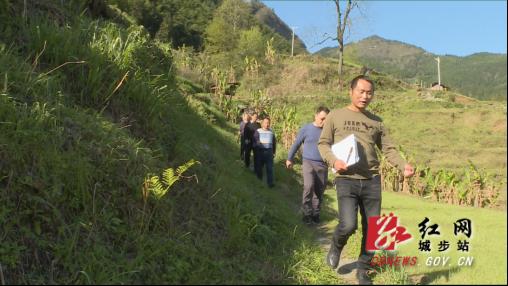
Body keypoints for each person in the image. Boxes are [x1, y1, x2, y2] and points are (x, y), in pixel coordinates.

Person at [318, 75, 415, 284]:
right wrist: (334, 162)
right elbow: (323, 144)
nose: (365, 96)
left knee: (373, 229)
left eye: (369, 93)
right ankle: (336, 246)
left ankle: (363, 269)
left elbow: (388, 149)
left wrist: (402, 165)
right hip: (346, 179)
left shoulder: (376, 121)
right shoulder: (336, 116)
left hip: (372, 180)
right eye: (361, 91)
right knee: (348, 224)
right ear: (351, 92)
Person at [286, 106, 330, 225]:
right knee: (308, 186)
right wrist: (289, 158)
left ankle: (315, 214)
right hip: (308, 162)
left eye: (327, 119)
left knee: (319, 191)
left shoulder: (328, 131)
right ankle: (306, 214)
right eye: (322, 118)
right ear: (315, 116)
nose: (324, 121)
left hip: (323, 165)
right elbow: (296, 144)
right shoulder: (306, 128)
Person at [253, 117, 276, 188]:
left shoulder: (272, 132)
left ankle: (270, 183)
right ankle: (259, 181)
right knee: (259, 167)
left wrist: (274, 152)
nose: (267, 124)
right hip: (260, 151)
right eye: (265, 123)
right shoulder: (258, 131)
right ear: (262, 123)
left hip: (269, 151)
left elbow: (274, 142)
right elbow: (255, 140)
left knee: (270, 168)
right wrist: (258, 144)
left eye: (268, 123)